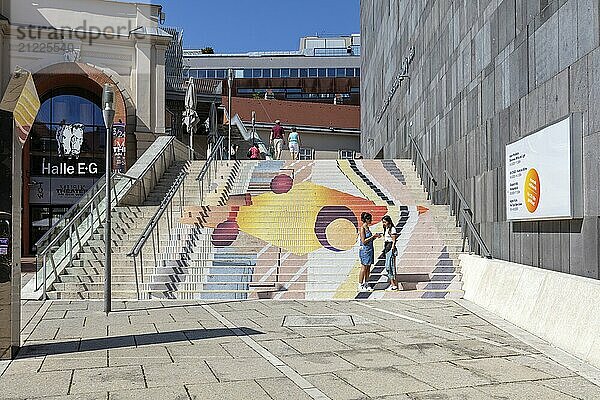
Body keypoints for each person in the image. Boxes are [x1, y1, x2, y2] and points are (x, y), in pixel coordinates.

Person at [358, 212, 381, 292]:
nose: (371, 220)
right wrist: (373, 236)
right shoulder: (362, 228)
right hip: (364, 250)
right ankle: (360, 284)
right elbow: (363, 241)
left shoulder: (367, 228)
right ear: (366, 219)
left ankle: (366, 283)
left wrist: (375, 237)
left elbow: (370, 239)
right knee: (364, 267)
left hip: (370, 249)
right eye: (370, 219)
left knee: (368, 267)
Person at [381, 215, 399, 290]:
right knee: (388, 266)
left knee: (390, 266)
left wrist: (392, 249)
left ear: (388, 222)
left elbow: (394, 240)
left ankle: (393, 284)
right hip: (387, 247)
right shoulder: (386, 229)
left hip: (390, 247)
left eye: (385, 222)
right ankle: (392, 284)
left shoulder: (392, 229)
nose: (383, 224)